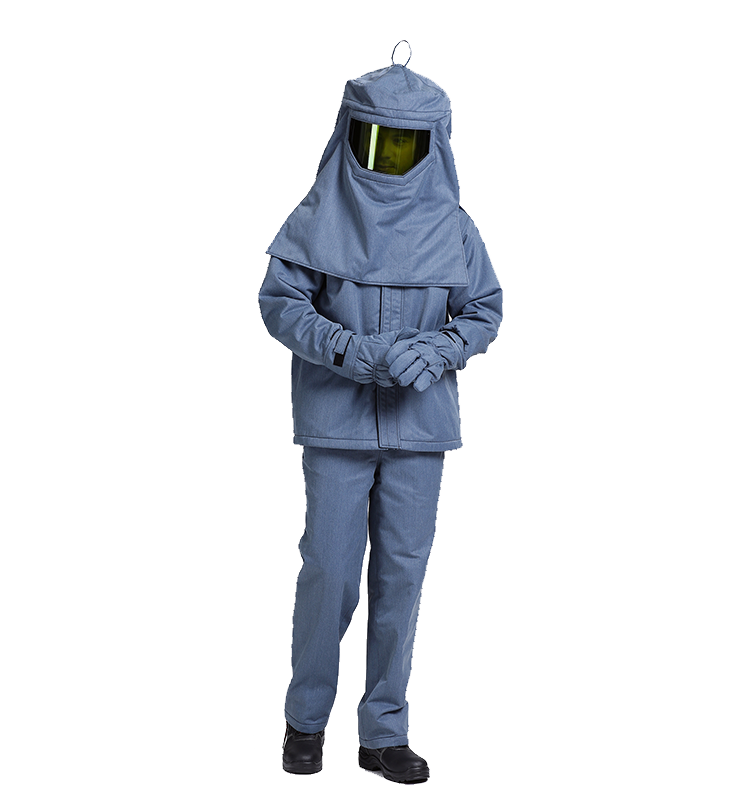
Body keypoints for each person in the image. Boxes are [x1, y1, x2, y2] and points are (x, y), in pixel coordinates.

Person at [258, 41, 503, 784]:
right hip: (336, 425)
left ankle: (383, 733)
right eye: (376, 139)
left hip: (419, 431)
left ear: (434, 144)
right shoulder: (318, 214)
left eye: (405, 143)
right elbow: (280, 302)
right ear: (350, 131)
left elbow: (485, 310)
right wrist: (345, 350)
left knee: (402, 580)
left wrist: (440, 349)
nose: (389, 156)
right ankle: (306, 722)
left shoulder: (456, 228)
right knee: (329, 574)